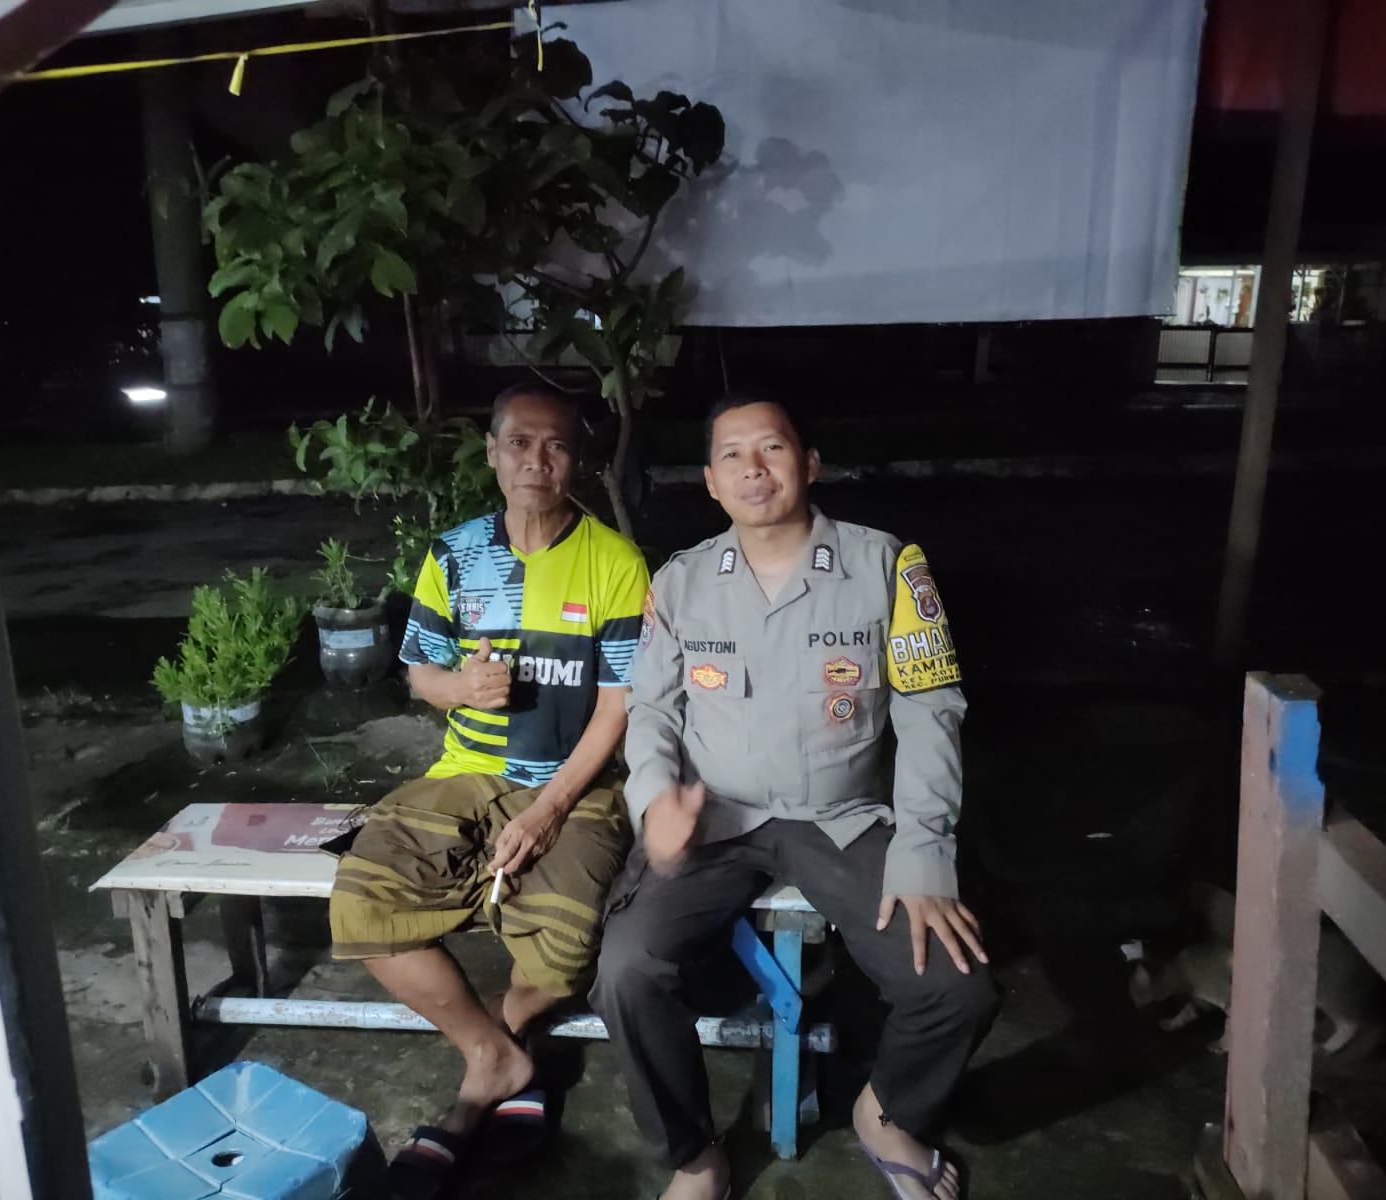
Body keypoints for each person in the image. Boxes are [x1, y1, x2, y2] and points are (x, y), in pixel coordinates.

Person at [591, 393, 997, 1200]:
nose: (754, 468)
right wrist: (655, 802)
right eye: (732, 455)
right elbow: (653, 712)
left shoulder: (887, 567)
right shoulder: (680, 583)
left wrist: (924, 849)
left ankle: (888, 1112)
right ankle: (694, 1156)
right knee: (625, 971)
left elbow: (930, 711)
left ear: (809, 464)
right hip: (715, 815)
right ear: (711, 481)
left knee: (957, 985)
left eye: (772, 448)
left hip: (841, 817)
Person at [329, 383, 649, 1196]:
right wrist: (460, 689)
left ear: (578, 460)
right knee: (362, 900)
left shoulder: (615, 562)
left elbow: (619, 705)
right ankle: (494, 1058)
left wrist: (549, 810)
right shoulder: (455, 553)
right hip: (465, 772)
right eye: (519, 443)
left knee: (570, 946)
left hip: (577, 785)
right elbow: (419, 673)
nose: (537, 461)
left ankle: (492, 1060)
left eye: (556, 446)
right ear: (492, 453)